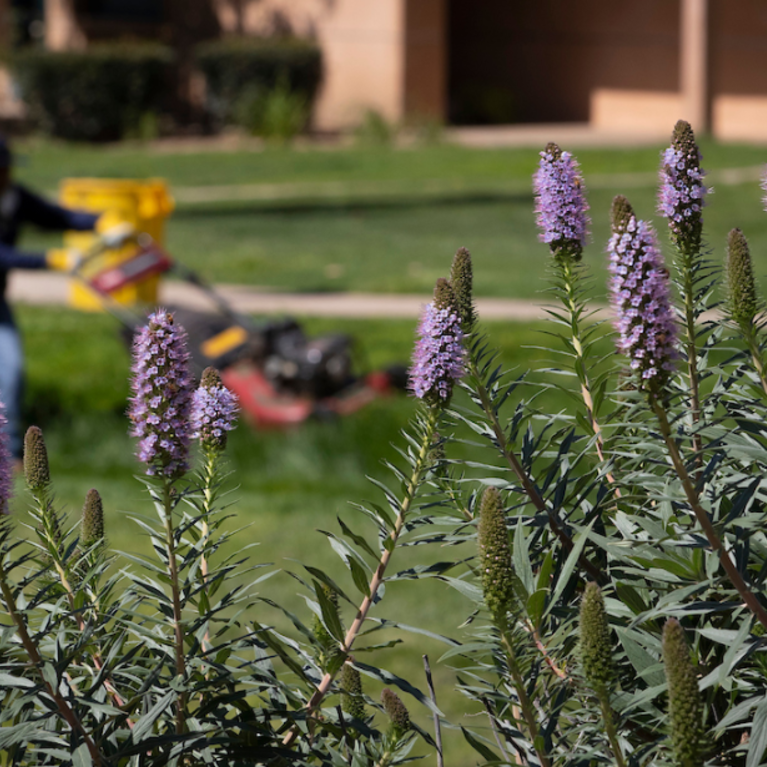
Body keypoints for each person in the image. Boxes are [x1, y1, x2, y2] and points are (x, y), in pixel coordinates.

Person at [0, 137, 101, 461]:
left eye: (7, 169)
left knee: (11, 371)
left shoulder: (13, 198)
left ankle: (10, 454)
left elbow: (56, 216)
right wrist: (51, 259)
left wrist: (101, 222)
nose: (6, 176)